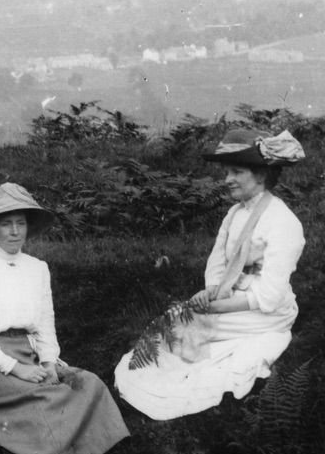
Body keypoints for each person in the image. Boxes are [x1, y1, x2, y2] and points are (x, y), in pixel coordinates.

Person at [115, 128, 306, 420]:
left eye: (237, 172)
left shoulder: (283, 222)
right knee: (174, 324)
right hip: (229, 295)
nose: (227, 180)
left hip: (265, 310)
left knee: (187, 326)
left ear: (261, 175)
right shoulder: (234, 214)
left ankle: (176, 386)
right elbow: (217, 262)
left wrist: (217, 307)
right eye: (226, 172)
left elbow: (269, 295)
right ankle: (151, 374)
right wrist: (211, 291)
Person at [0, 184, 128, 454]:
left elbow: (45, 322)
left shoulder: (37, 268)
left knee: (89, 383)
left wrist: (48, 362)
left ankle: (69, 447)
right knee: (42, 397)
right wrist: (16, 369)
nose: (14, 232)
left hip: (28, 351)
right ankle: (57, 453)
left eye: (20, 223)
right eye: (6, 224)